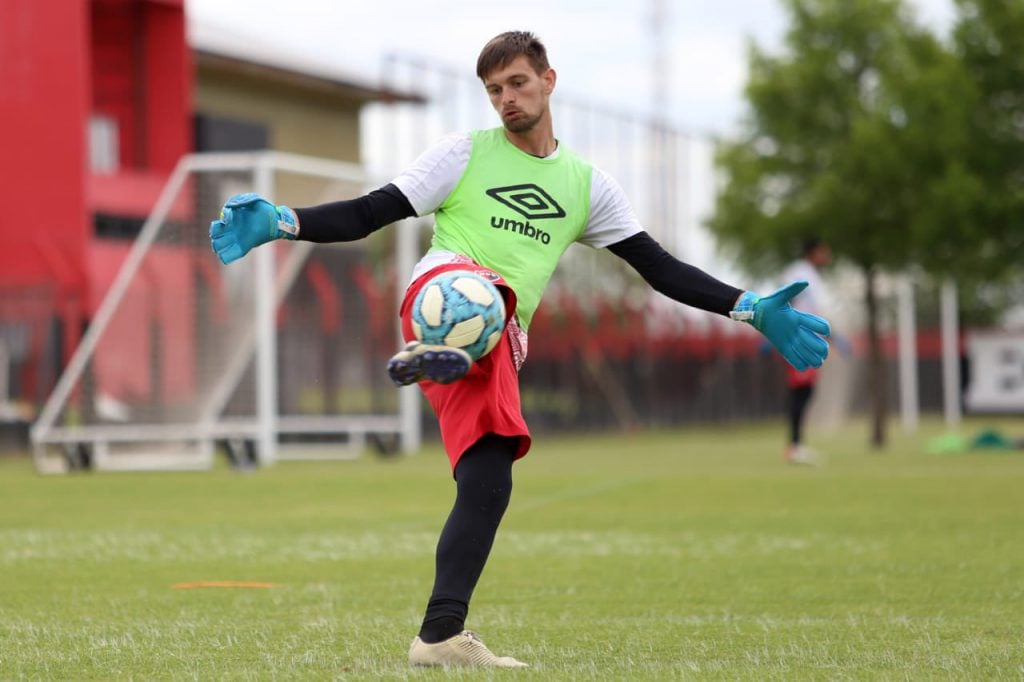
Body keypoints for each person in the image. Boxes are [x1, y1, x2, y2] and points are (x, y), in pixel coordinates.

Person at [209, 31, 831, 668]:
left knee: (490, 476)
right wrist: (284, 220)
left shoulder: (588, 186)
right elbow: (371, 212)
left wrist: (748, 307)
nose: (506, 99)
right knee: (486, 292)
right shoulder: (462, 153)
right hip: (443, 288)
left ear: (548, 80)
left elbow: (659, 268)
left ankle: (440, 636)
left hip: (501, 340)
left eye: (517, 84)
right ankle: (442, 342)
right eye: (494, 90)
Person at [777, 237, 836, 465]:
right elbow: (785, 296)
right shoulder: (799, 271)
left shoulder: (813, 275)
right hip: (798, 338)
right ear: (813, 252)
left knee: (806, 390)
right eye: (823, 252)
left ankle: (796, 444)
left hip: (810, 338)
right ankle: (794, 446)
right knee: (800, 391)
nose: (827, 257)